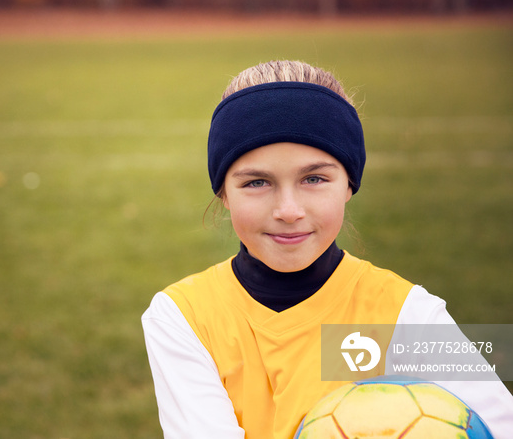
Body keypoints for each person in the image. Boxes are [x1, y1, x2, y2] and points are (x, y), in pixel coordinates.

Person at [141, 60, 513, 438]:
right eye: (256, 182)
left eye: (314, 178)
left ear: (349, 183)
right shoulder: (183, 317)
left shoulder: (405, 314)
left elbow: (498, 427)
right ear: (223, 193)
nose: (288, 211)